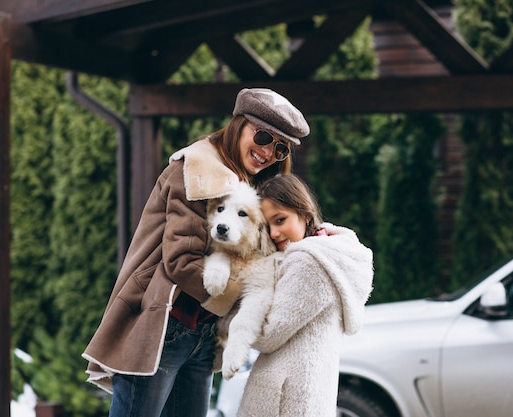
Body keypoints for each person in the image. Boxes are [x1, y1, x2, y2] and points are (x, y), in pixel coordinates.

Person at [81, 88, 310, 417]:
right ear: (238, 125)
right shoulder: (198, 171)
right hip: (164, 327)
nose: (267, 152)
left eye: (279, 148)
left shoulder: (243, 182)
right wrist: (244, 298)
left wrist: (317, 232)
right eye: (262, 136)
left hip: (202, 334)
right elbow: (180, 263)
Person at [237, 174, 374, 417]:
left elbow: (267, 335)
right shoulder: (334, 254)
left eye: (280, 220)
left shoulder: (308, 262)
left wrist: (234, 310)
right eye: (267, 227)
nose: (275, 233)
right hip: (308, 391)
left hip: (286, 398)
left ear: (305, 214)